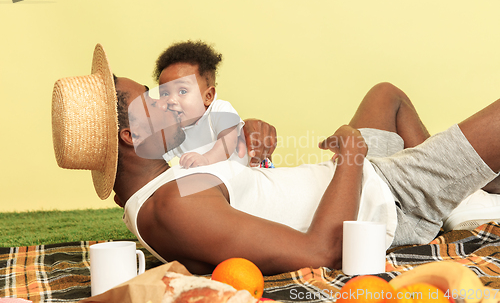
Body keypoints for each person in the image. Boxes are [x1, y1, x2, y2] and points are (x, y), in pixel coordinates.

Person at [52, 44, 500, 276]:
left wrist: (249, 147)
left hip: (368, 178)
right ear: (130, 136)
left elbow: (250, 204)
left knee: (386, 96)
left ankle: (461, 191)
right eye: (151, 99)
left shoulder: (165, 187)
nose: (168, 101)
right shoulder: (174, 206)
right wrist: (350, 159)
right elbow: (319, 251)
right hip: (389, 200)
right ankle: (446, 197)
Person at [142, 41, 271, 168]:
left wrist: (207, 159)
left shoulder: (219, 111)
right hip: (222, 183)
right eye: (164, 93)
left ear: (208, 96)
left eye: (182, 91)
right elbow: (157, 159)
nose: (170, 100)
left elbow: (228, 141)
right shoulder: (174, 132)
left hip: (255, 168)